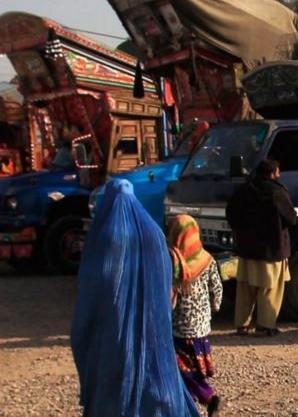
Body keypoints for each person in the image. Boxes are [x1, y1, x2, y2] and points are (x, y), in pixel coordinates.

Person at [70, 179, 199, 417]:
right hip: (155, 329)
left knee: (116, 385)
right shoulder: (153, 233)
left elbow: (92, 293)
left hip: (112, 334)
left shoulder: (104, 238)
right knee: (157, 375)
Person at [226, 159, 297, 337]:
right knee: (270, 289)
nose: (279, 175)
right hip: (272, 250)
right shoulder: (277, 193)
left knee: (244, 289)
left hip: (246, 249)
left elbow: (230, 214)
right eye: (278, 172)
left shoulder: (242, 191)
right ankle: (265, 326)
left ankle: (242, 325)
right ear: (272, 173)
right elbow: (291, 218)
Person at [168, 214, 223, 416]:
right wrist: (213, 308)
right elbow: (216, 288)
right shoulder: (207, 259)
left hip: (180, 327)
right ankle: (192, 403)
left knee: (181, 369)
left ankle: (206, 397)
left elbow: (169, 296)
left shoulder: (172, 260)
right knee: (189, 369)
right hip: (200, 327)